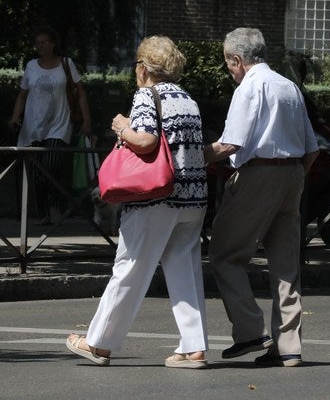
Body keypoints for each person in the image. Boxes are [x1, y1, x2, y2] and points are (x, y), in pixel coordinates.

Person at [65, 35, 209, 368]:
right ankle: (194, 347)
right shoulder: (187, 98)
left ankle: (98, 343)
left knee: (129, 267)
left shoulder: (147, 94)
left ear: (143, 67)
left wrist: (122, 127)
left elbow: (145, 142)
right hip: (193, 198)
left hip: (155, 199)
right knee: (185, 270)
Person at [204, 27, 319, 368]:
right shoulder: (289, 87)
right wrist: (292, 176)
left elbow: (230, 144)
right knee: (285, 264)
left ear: (237, 60)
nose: (230, 71)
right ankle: (288, 347)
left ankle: (249, 329)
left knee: (224, 253)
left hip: (258, 174)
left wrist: (190, 156)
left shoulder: (249, 87)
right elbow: (312, 148)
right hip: (293, 172)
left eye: (229, 64)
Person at [8, 25, 91, 225]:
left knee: (51, 164)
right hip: (33, 126)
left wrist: (87, 120)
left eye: (44, 42)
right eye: (37, 43)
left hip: (60, 124)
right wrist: (14, 117)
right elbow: (22, 95)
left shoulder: (66, 63)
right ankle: (44, 213)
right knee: (36, 172)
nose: (40, 46)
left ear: (53, 43)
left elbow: (79, 93)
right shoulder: (31, 66)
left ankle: (56, 207)